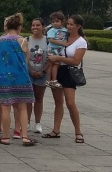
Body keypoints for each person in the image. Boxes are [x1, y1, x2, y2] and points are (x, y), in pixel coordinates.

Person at [0, 13, 37, 147]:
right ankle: (24, 136)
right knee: (22, 107)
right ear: (19, 27)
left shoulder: (0, 40)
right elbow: (26, 58)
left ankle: (5, 136)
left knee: (5, 108)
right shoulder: (23, 40)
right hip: (21, 78)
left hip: (4, 78)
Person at [42, 14, 87, 144]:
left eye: (71, 24)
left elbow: (75, 61)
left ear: (78, 26)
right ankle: (56, 130)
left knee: (70, 103)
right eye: (68, 24)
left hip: (69, 72)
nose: (68, 26)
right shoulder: (63, 35)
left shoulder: (81, 41)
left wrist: (58, 58)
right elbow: (50, 39)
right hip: (58, 70)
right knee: (58, 102)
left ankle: (78, 132)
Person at [27, 18, 49, 134]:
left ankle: (38, 123)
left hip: (42, 73)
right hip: (29, 72)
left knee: (39, 98)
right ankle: (27, 122)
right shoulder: (27, 40)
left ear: (43, 26)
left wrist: (43, 71)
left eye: (38, 25)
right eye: (33, 25)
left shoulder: (48, 41)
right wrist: (30, 70)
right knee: (28, 99)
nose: (35, 27)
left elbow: (51, 58)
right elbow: (24, 58)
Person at [46, 12, 68, 88]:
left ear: (62, 22)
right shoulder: (52, 30)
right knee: (54, 64)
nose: (55, 23)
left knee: (53, 64)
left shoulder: (65, 30)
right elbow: (51, 40)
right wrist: (62, 43)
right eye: (53, 22)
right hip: (52, 49)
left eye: (57, 21)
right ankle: (52, 80)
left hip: (59, 50)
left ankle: (49, 80)